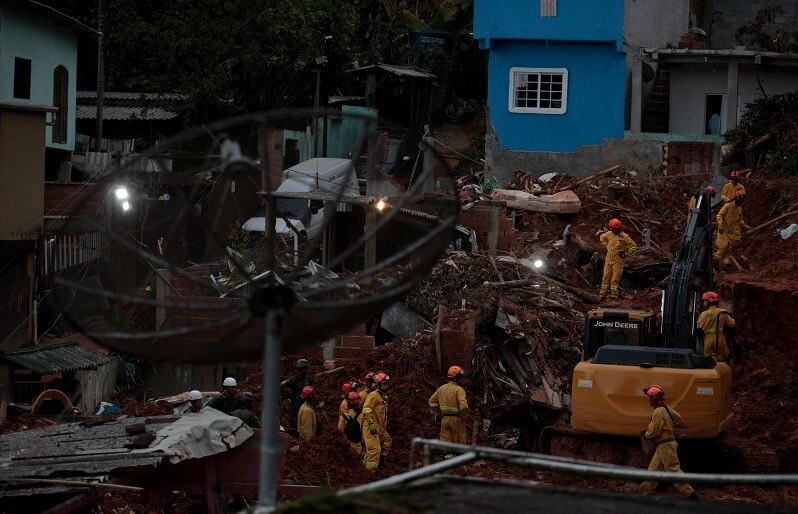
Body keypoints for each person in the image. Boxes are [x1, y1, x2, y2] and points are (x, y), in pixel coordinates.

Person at [639, 385, 696, 498]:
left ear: (654, 398)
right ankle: (644, 490)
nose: (648, 400)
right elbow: (678, 417)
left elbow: (653, 432)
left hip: (666, 444)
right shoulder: (666, 408)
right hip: (665, 444)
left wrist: (646, 435)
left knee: (673, 469)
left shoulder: (658, 412)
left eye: (649, 398)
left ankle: (690, 494)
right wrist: (669, 426)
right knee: (654, 468)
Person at [428, 365, 469, 446]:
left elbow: (431, 402)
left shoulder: (441, 388)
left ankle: (448, 458)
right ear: (455, 378)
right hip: (457, 420)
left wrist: (439, 413)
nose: (462, 380)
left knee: (446, 444)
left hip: (445, 420)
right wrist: (465, 416)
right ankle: (460, 458)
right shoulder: (459, 390)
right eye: (461, 378)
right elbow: (464, 406)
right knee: (459, 444)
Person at [599, 218, 637, 300]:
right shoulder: (609, 234)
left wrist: (625, 253)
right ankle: (602, 295)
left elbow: (633, 246)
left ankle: (614, 296)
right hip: (608, 259)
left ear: (618, 228)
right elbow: (601, 237)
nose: (612, 231)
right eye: (611, 229)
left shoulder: (625, 237)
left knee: (615, 278)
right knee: (606, 277)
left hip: (618, 261)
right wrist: (606, 244)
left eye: (614, 229)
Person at [362, 372, 392, 470]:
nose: (386, 386)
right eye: (384, 384)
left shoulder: (383, 396)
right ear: (378, 385)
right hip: (372, 428)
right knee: (374, 450)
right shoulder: (373, 395)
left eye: (387, 384)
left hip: (380, 428)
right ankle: (370, 472)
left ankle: (380, 462)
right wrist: (371, 424)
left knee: (387, 441)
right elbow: (366, 410)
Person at [696, 291, 736, 362]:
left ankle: (711, 370)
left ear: (709, 302)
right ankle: (721, 370)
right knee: (722, 357)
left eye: (705, 301)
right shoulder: (722, 312)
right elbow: (732, 324)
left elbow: (699, 328)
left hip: (708, 339)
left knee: (709, 358)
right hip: (720, 338)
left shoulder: (703, 314)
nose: (704, 303)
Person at [714, 191, 750, 267]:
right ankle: (715, 261)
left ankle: (723, 265)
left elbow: (740, 220)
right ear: (736, 199)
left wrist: (746, 226)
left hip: (732, 232)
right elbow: (719, 216)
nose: (741, 202)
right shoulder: (727, 206)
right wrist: (720, 225)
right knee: (723, 246)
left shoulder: (739, 209)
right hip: (723, 230)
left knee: (729, 249)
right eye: (740, 200)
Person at [281, 358, 312, 431]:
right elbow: (281, 386)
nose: (304, 371)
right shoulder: (293, 379)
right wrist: (289, 395)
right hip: (295, 405)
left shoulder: (308, 379)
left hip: (305, 404)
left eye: (305, 368)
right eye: (303, 369)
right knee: (294, 424)